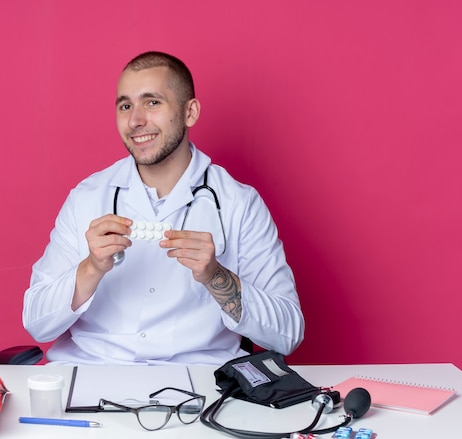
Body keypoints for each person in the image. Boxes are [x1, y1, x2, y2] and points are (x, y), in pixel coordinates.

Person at [22, 51, 304, 365]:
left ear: (190, 112)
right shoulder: (87, 197)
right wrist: (91, 268)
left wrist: (215, 275)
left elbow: (288, 333)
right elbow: (36, 322)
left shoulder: (239, 203)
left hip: (200, 386)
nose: (135, 120)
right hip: (93, 374)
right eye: (125, 105)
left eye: (152, 102)